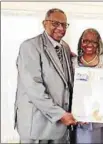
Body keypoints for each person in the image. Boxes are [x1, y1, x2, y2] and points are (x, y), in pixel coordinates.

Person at [14, 8, 77, 143]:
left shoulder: (65, 47)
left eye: (64, 24)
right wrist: (60, 114)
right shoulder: (30, 46)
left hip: (59, 126)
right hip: (36, 123)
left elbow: (67, 81)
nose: (60, 28)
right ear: (44, 23)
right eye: (55, 23)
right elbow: (33, 87)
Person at [72, 28, 103, 144]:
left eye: (93, 41)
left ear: (98, 43)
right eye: (85, 41)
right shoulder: (73, 62)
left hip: (101, 118)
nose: (89, 44)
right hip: (80, 119)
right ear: (80, 43)